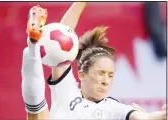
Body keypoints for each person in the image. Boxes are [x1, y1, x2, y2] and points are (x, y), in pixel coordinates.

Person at [21, 2, 166, 120]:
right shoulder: (67, 91)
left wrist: (162, 115)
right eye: (100, 73)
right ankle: (32, 47)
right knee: (37, 114)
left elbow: (145, 117)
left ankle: (32, 48)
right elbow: (64, 33)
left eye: (110, 75)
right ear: (82, 74)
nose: (105, 81)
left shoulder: (113, 107)